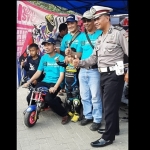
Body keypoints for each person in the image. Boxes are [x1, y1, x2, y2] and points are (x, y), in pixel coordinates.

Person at [73, 6, 128, 147]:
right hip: (103, 74)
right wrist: (79, 63)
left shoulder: (119, 33)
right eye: (94, 19)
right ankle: (113, 129)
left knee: (109, 106)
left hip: (115, 74)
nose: (95, 21)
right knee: (110, 104)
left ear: (107, 17)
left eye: (98, 18)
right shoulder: (100, 37)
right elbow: (93, 59)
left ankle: (108, 137)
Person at [22, 38, 70, 125]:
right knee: (30, 97)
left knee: (48, 98)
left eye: (49, 45)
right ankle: (34, 110)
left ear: (54, 46)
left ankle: (65, 114)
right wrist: (29, 82)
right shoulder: (44, 58)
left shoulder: (60, 58)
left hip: (56, 82)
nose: (46, 47)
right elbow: (38, 72)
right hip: (45, 81)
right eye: (45, 45)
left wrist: (55, 87)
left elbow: (62, 75)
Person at [70, 10, 103, 131]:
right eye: (84, 21)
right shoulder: (82, 36)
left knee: (95, 96)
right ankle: (88, 116)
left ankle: (97, 119)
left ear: (94, 21)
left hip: (95, 70)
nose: (86, 23)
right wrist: (71, 53)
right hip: (82, 70)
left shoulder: (101, 33)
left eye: (89, 20)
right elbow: (79, 53)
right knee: (84, 96)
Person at [55, 52, 81, 122]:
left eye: (72, 57)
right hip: (67, 86)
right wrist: (57, 60)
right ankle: (71, 112)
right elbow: (60, 63)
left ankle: (77, 114)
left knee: (76, 101)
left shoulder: (77, 65)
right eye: (69, 57)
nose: (71, 58)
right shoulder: (66, 64)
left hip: (75, 86)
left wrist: (76, 59)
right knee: (69, 100)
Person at [55, 23, 68, 96]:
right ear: (62, 31)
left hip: (66, 59)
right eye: (66, 30)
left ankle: (63, 88)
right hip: (61, 59)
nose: (67, 32)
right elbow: (58, 51)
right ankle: (60, 88)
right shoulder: (58, 40)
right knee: (61, 74)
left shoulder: (66, 38)